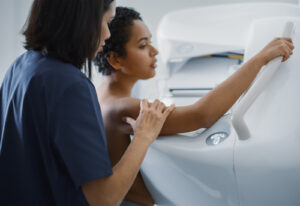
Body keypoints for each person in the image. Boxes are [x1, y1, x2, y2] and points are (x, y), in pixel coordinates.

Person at [95, 7, 295, 206]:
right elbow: (202, 115)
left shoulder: (103, 96)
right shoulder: (121, 107)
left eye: (151, 43)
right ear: (115, 59)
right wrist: (259, 59)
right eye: (143, 45)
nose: (154, 52)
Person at [0, 1, 174, 206]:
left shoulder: (20, 66)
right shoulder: (70, 85)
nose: (108, 34)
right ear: (83, 20)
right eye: (107, 22)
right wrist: (143, 136)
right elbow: (103, 199)